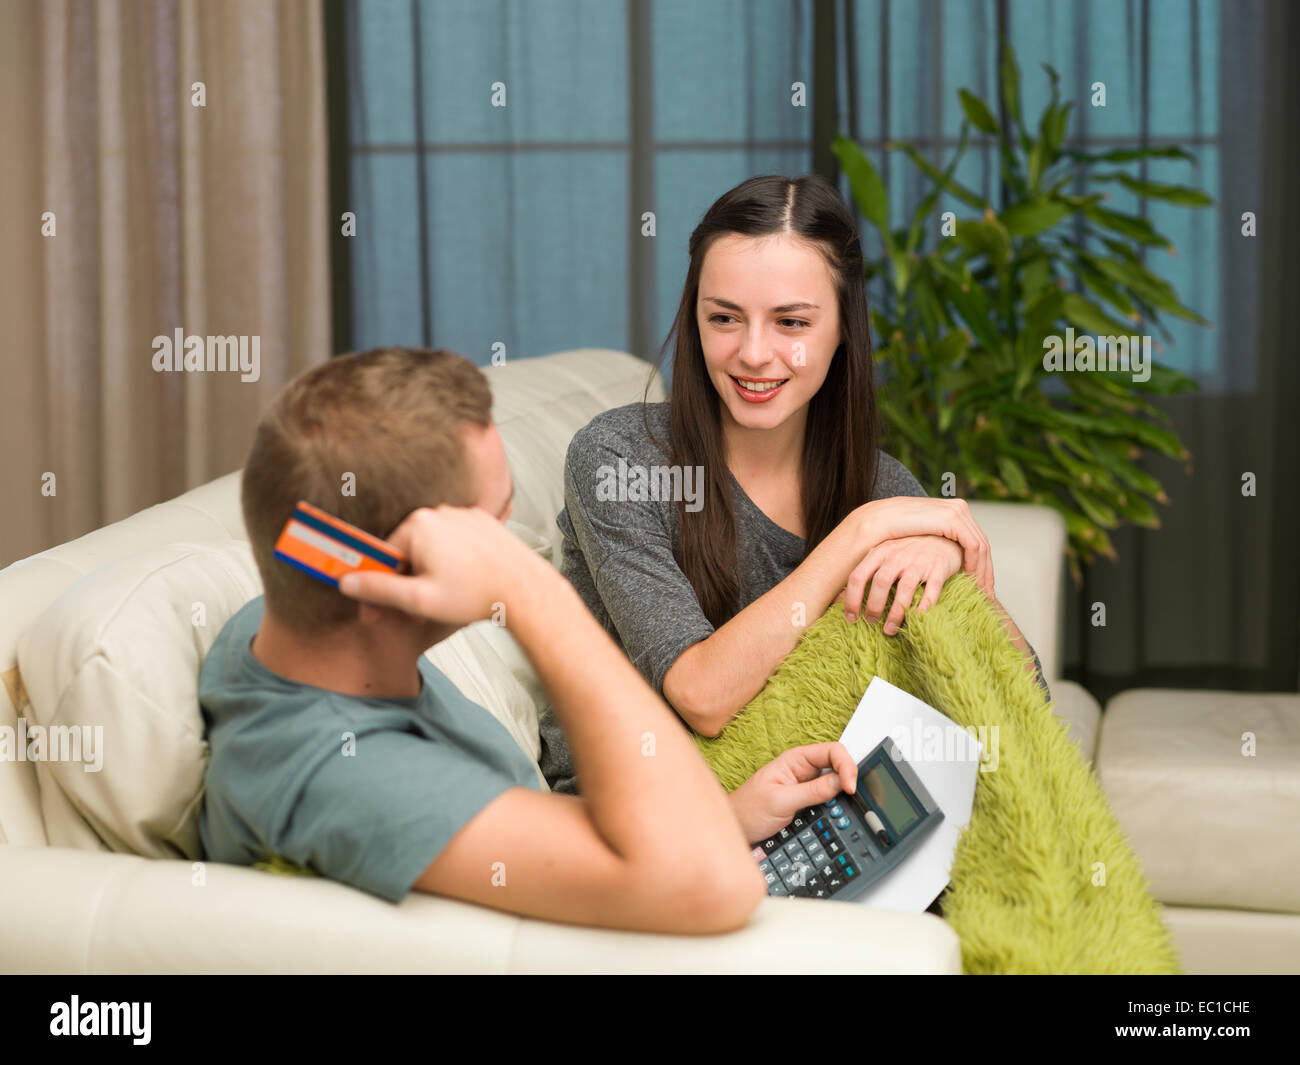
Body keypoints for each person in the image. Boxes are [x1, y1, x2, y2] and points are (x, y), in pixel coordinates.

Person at [198, 345, 862, 933]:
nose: (512, 541)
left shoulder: (282, 620)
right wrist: (533, 597)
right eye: (493, 529)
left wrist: (728, 814)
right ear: (391, 576)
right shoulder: (346, 777)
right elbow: (718, 883)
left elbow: (548, 835)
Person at [540, 174, 1048, 795]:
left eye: (791, 323)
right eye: (724, 317)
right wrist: (864, 533)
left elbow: (1023, 700)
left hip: (826, 806)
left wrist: (947, 557)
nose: (754, 353)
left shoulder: (877, 483)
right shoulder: (621, 461)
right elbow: (701, 694)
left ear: (842, 330)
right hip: (644, 810)